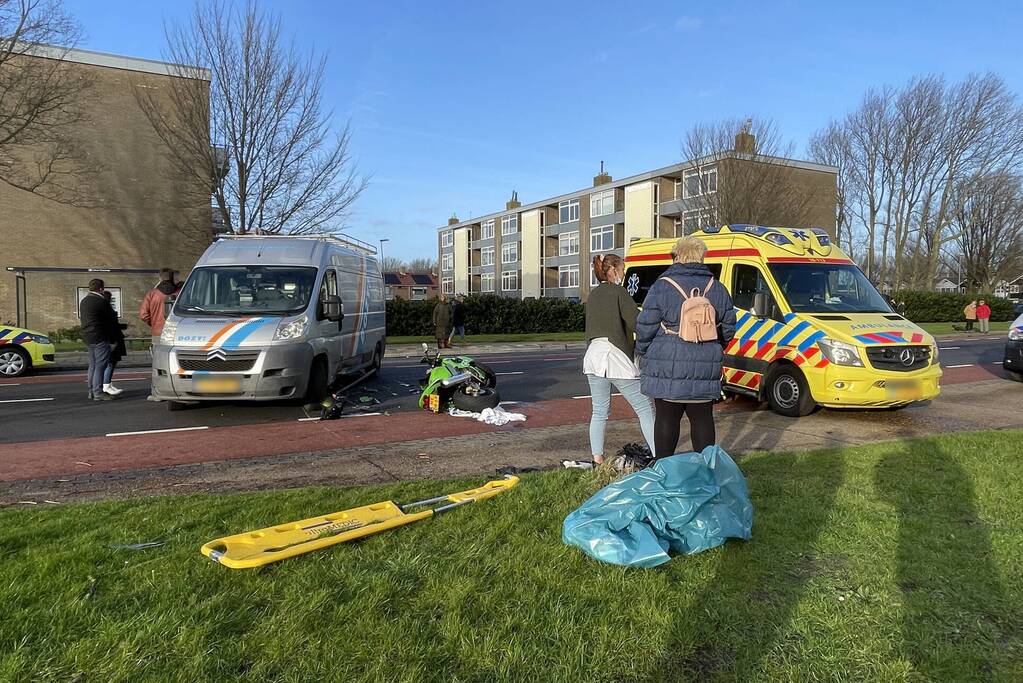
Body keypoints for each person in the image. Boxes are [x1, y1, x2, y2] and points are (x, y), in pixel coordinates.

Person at [635, 236, 735, 459]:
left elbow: (645, 326)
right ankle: (706, 468)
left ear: (677, 256)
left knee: (666, 417)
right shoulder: (717, 288)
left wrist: (641, 350)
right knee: (702, 418)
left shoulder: (662, 287)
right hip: (705, 364)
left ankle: (664, 468)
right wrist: (714, 347)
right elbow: (728, 328)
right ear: (701, 256)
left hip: (667, 364)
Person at [584, 254, 656, 464]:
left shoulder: (593, 295)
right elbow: (637, 323)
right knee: (644, 408)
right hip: (615, 356)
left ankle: (597, 460)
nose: (624, 273)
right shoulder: (619, 292)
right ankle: (658, 455)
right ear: (613, 270)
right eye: (622, 269)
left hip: (593, 357)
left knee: (599, 412)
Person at [139, 268, 179, 401]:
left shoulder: (152, 294)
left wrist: (154, 323)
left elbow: (143, 314)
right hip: (177, 332)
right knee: (176, 363)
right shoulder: (180, 293)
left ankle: (157, 393)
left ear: (160, 278)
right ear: (173, 278)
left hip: (158, 332)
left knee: (157, 364)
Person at [79, 278, 120, 402]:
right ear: (101, 288)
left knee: (93, 365)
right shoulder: (101, 301)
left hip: (88, 336)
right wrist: (113, 339)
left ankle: (91, 391)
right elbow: (111, 320)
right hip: (100, 336)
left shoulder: (84, 301)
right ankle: (98, 392)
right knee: (100, 366)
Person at [101, 290, 128, 396]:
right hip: (112, 340)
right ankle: (106, 385)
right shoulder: (107, 310)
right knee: (110, 363)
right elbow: (111, 326)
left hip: (112, 338)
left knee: (111, 362)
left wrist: (122, 326)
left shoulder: (104, 309)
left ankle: (108, 383)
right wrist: (121, 327)